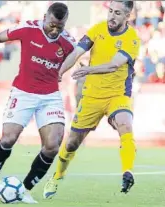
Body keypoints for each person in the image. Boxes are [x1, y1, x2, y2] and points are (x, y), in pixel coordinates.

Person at [0, 2, 75, 204]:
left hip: (50, 97)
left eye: (59, 27)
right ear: (45, 17)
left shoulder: (68, 42)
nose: (54, 29)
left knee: (52, 146)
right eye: (52, 24)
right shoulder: (28, 29)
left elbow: (77, 56)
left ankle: (24, 189)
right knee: (8, 139)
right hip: (23, 92)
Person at [43, 1, 140, 198]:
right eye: (110, 11)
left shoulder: (132, 39)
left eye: (118, 13)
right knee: (71, 144)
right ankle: (57, 176)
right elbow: (77, 52)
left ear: (127, 16)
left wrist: (89, 69)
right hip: (91, 98)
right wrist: (59, 73)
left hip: (117, 95)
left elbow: (114, 65)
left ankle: (128, 172)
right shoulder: (97, 30)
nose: (112, 16)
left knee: (125, 124)